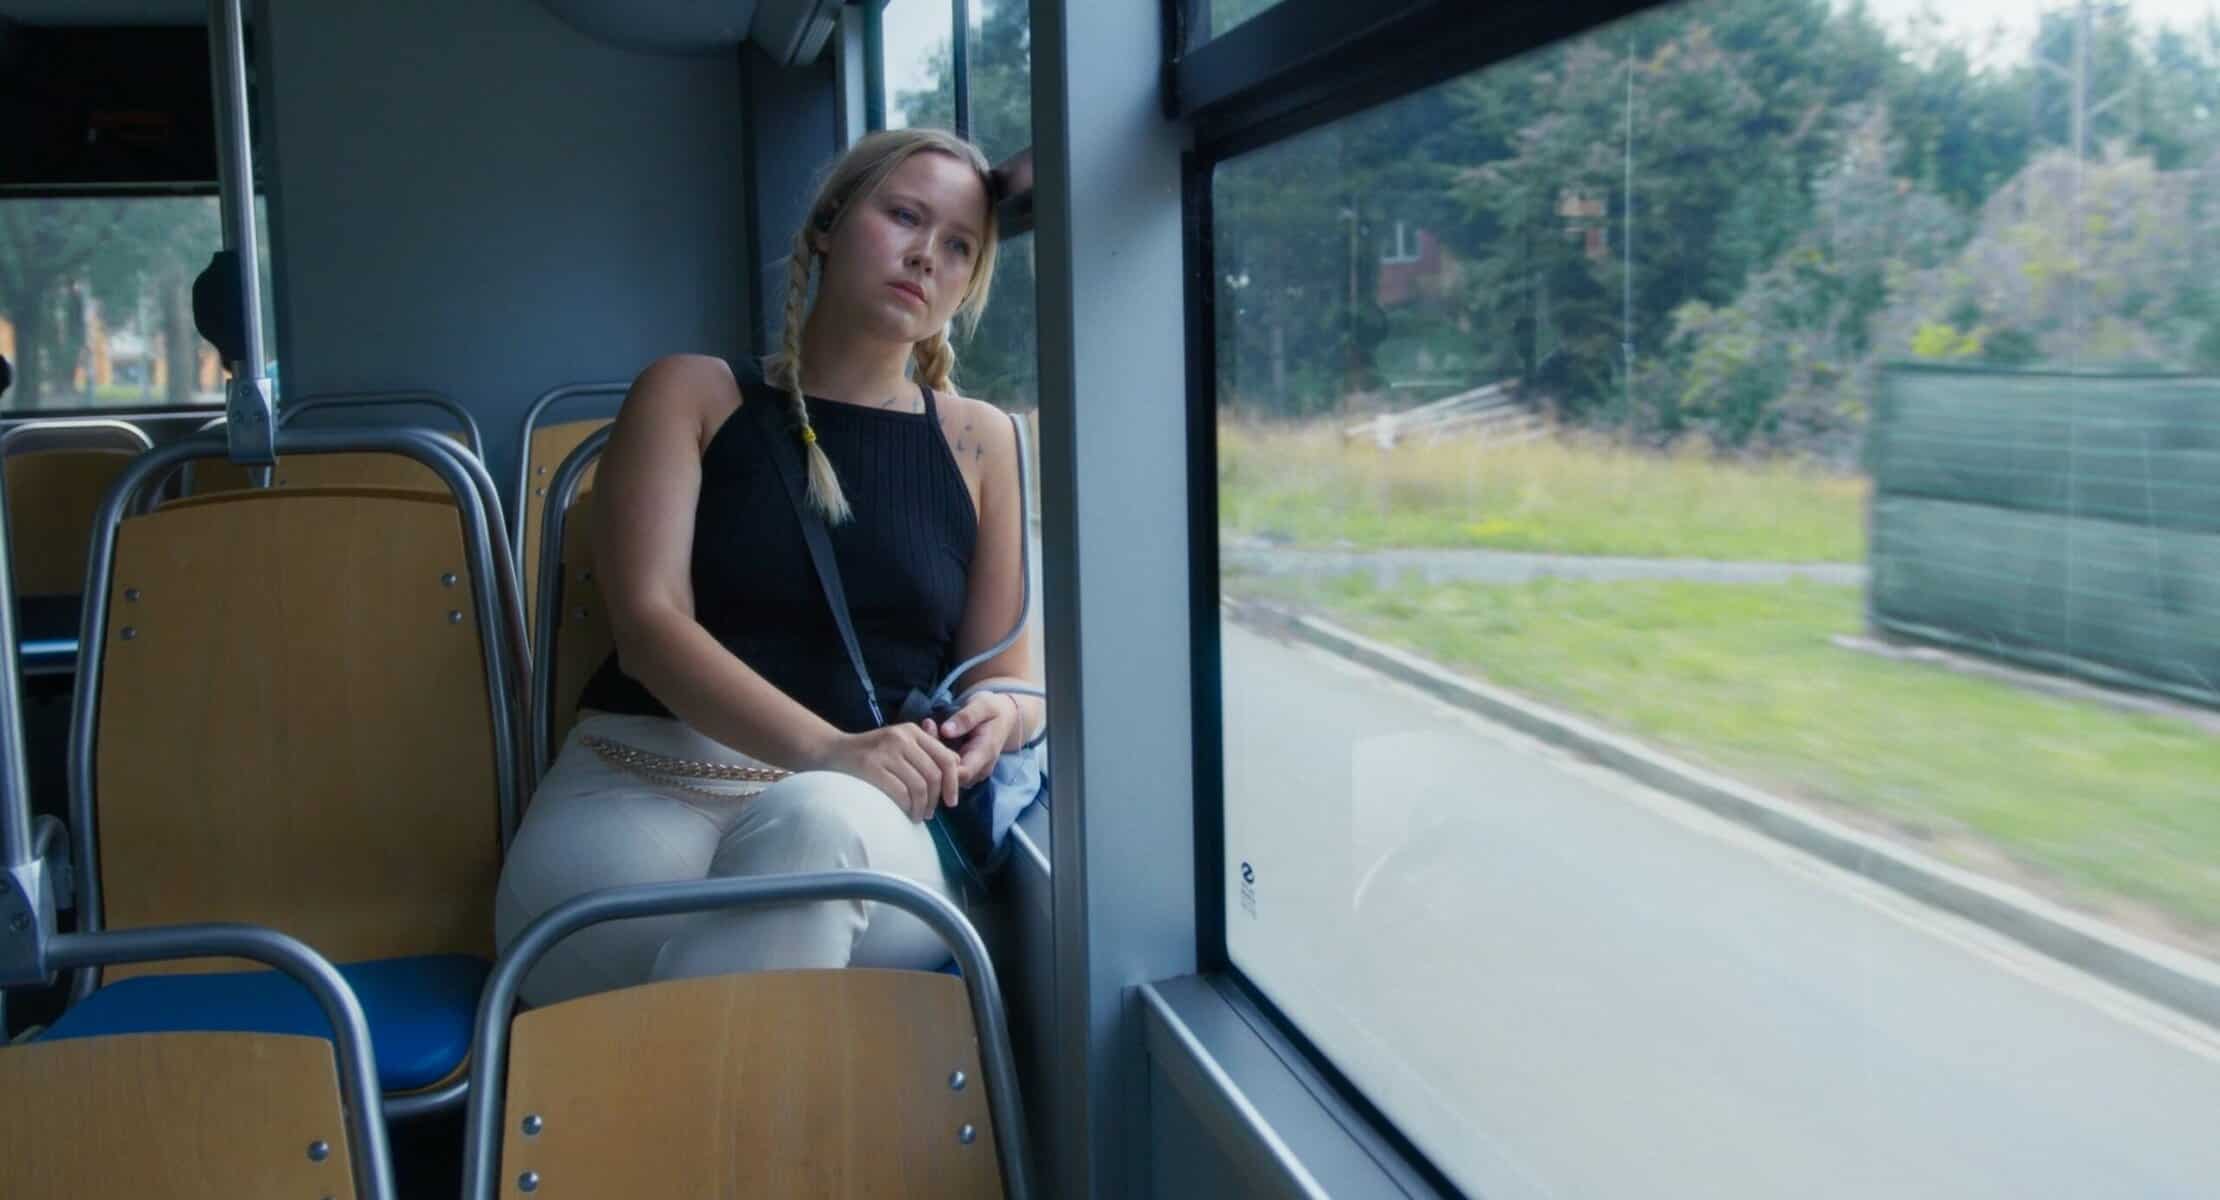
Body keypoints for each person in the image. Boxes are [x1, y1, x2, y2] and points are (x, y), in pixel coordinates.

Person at [495, 129, 1040, 1005]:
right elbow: (649, 627)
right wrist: (831, 749)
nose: (924, 256)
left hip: (864, 819)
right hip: (645, 782)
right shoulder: (690, 394)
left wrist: (996, 719)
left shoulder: (985, 441)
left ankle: (654, 1092)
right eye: (904, 217)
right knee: (785, 880)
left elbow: (1008, 677)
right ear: (827, 224)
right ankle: (741, 1083)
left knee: (817, 827)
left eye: (958, 247)